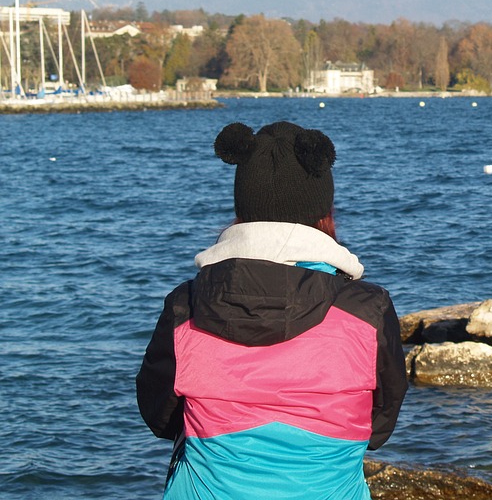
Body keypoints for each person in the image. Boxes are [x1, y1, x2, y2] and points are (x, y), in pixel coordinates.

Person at [137, 121, 407, 500]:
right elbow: (379, 423)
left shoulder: (187, 305)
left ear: (242, 209)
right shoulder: (368, 310)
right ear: (323, 213)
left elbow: (159, 415)